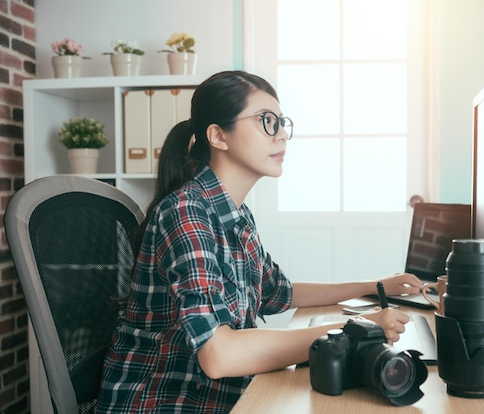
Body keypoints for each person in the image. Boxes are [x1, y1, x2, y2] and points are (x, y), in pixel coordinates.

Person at [97, 70, 423, 413]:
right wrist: (358, 329)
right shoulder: (185, 214)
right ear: (219, 136)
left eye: (282, 122)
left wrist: (374, 285)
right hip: (164, 402)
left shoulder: (236, 215)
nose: (281, 135)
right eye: (267, 121)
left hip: (224, 397)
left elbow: (280, 292)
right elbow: (219, 355)